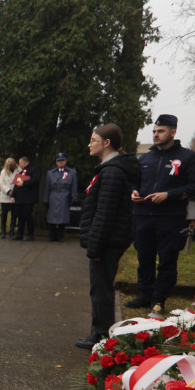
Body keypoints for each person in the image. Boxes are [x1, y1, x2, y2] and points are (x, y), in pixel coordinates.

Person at [126, 114, 195, 318]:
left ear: (172, 132)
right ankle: (145, 294)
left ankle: (159, 299)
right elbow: (136, 181)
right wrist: (133, 191)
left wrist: (169, 194)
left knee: (167, 260)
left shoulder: (188, 157)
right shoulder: (145, 158)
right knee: (144, 258)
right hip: (143, 215)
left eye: (160, 131)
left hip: (170, 217)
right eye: (154, 131)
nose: (156, 135)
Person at [76, 124, 139, 349]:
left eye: (93, 140)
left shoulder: (112, 171)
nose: (89, 144)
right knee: (100, 287)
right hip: (108, 240)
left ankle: (101, 334)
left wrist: (94, 247)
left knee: (100, 288)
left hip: (106, 242)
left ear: (106, 143)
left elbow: (104, 213)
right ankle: (102, 330)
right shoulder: (108, 168)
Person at [44, 153, 77, 241]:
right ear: (56, 162)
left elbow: (74, 186)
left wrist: (74, 197)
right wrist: (45, 199)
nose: (61, 162)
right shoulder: (50, 173)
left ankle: (60, 236)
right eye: (59, 161)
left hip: (64, 196)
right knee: (52, 217)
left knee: (63, 218)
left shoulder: (72, 172)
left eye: (62, 160)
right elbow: (47, 187)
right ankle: (52, 236)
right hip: (53, 196)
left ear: (65, 161)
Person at [11, 156, 41, 241]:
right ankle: (19, 233)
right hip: (20, 198)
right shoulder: (21, 172)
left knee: (27, 214)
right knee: (20, 215)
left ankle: (30, 234)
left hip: (29, 197)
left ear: (24, 162)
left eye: (20, 163)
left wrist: (24, 183)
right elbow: (16, 185)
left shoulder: (35, 169)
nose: (19, 165)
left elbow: (35, 180)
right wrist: (13, 196)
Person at [0, 158, 17, 239]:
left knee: (14, 215)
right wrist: (8, 191)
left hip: (15, 196)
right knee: (4, 215)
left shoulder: (18, 170)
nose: (13, 167)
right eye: (11, 166)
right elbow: (1, 183)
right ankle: (3, 231)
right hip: (5, 196)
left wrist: (14, 192)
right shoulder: (3, 172)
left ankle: (12, 231)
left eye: (14, 165)